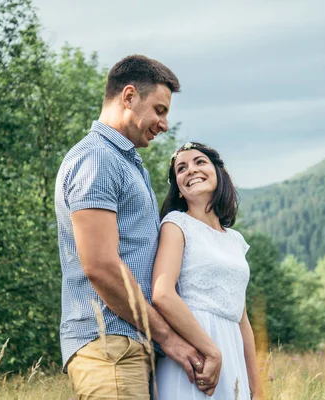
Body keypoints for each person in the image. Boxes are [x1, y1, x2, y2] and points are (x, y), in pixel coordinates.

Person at [54, 55, 206, 399]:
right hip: (110, 346)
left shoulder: (126, 163)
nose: (164, 124)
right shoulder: (96, 158)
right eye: (160, 110)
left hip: (132, 343)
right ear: (128, 97)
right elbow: (101, 267)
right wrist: (171, 340)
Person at [152, 142, 264, 399]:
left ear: (218, 172)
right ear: (178, 189)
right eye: (181, 168)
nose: (191, 170)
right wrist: (211, 350)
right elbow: (162, 294)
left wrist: (256, 388)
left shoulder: (235, 240)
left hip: (232, 353)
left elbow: (242, 318)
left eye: (199, 162)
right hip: (195, 350)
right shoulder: (176, 225)